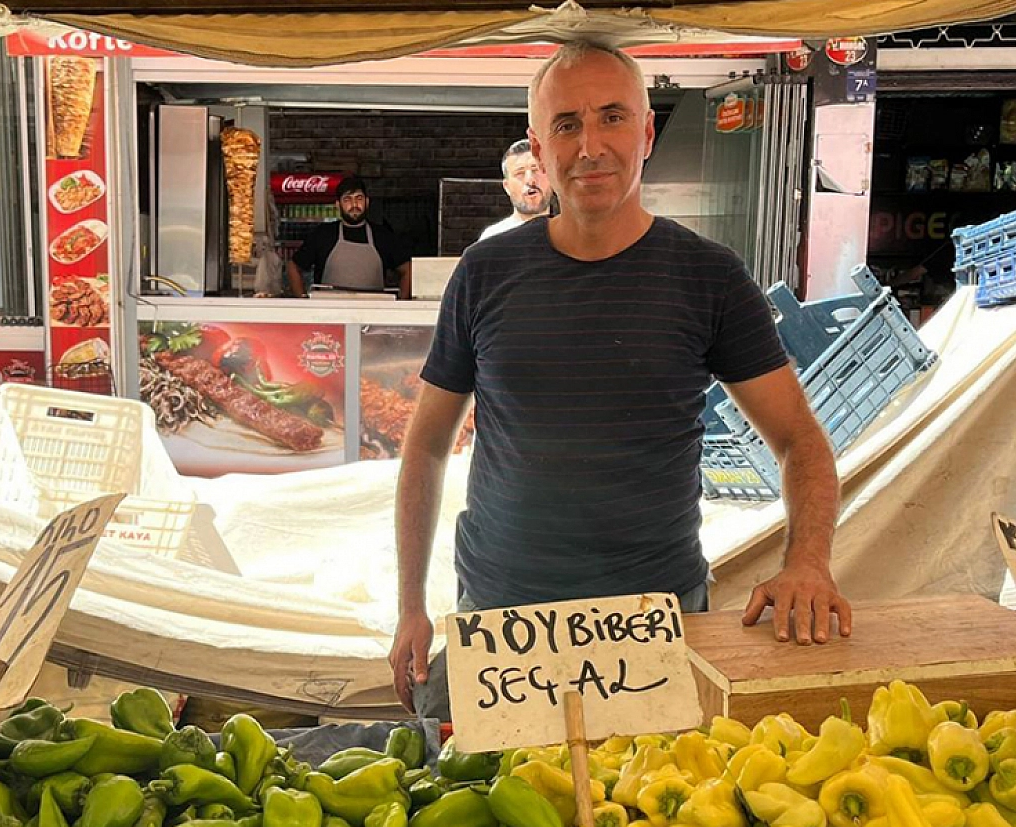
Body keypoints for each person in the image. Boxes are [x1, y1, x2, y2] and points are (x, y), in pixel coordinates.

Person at [390, 41, 851, 717]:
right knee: (488, 788)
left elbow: (800, 441)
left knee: (651, 788)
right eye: (566, 125)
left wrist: (807, 561)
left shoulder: (710, 278)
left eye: (612, 117)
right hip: (502, 622)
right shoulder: (485, 272)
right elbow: (427, 446)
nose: (591, 146)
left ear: (647, 132)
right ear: (539, 150)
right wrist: (410, 605)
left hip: (653, 623)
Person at [286, 177, 412, 298]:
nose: (354, 204)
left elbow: (408, 269)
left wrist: (402, 304)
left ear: (367, 202)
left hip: (372, 311)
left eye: (359, 198)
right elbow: (293, 267)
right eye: (347, 200)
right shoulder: (323, 234)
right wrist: (303, 301)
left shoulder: (383, 236)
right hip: (328, 311)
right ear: (338, 205)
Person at [479, 139, 553, 241]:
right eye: (520, 173)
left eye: (536, 170)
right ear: (507, 187)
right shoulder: (492, 238)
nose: (530, 180)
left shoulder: (570, 234)